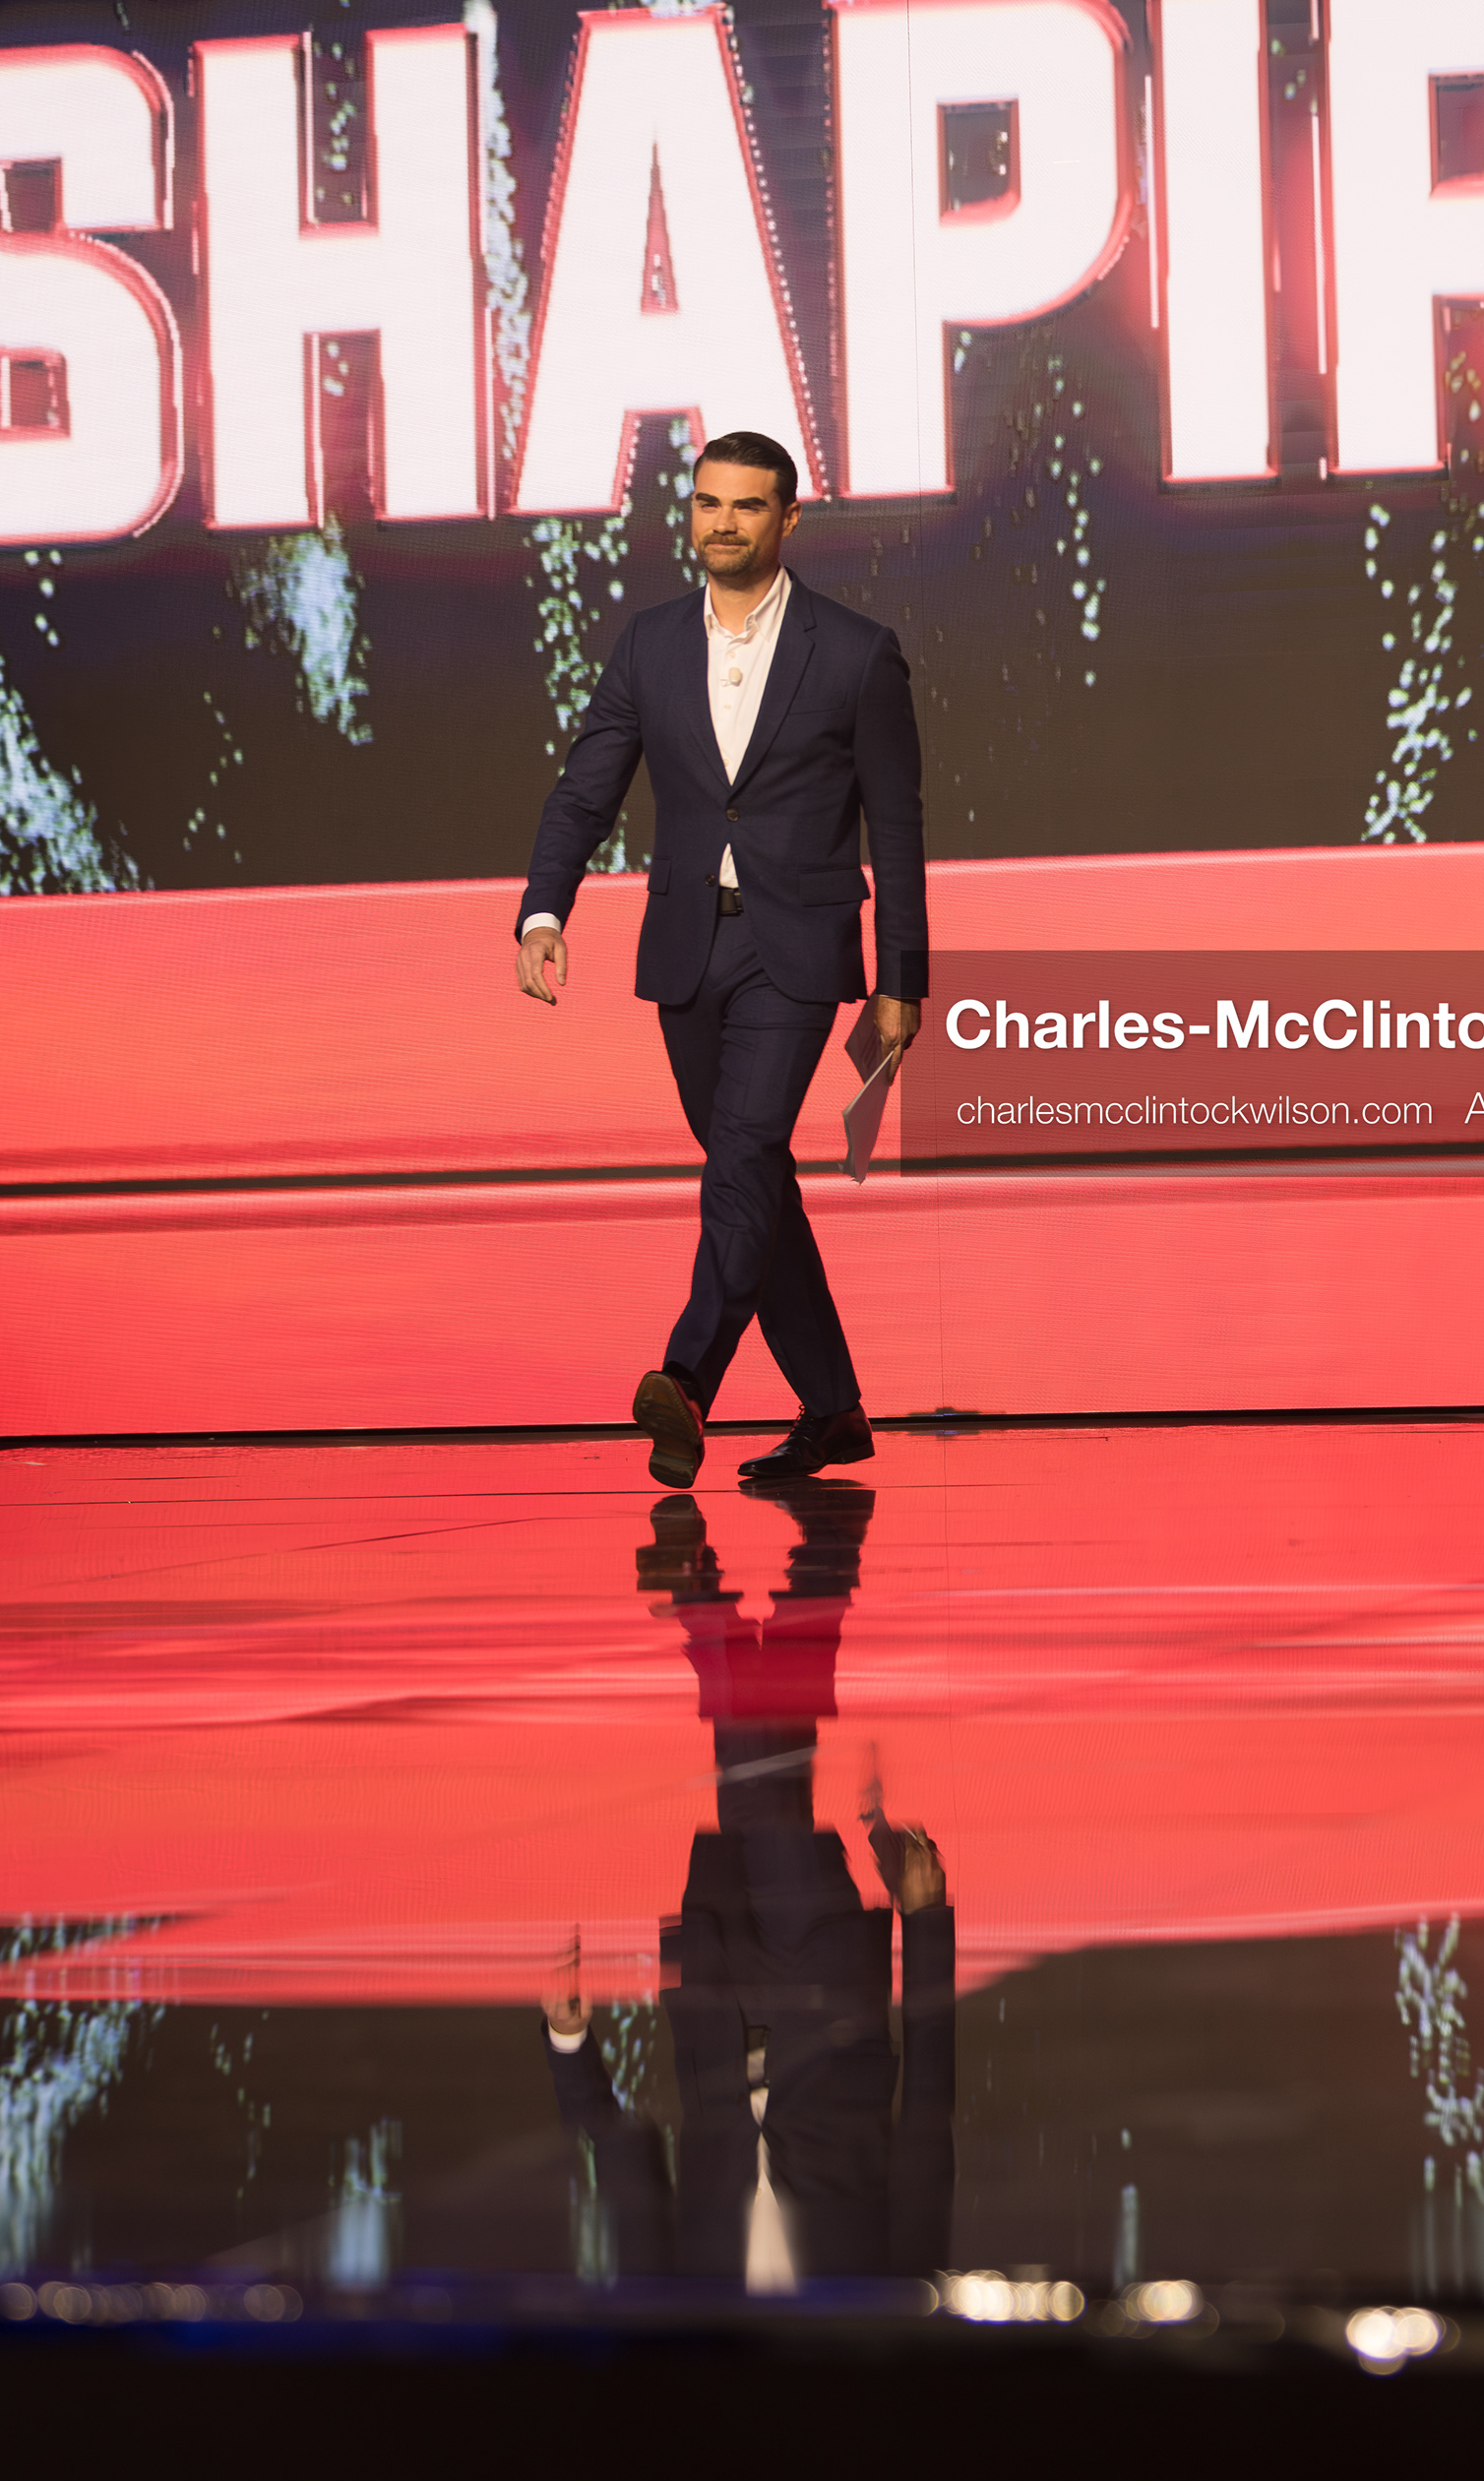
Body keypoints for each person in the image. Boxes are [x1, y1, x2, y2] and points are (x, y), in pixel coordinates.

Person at [514, 430, 928, 1489]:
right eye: (707, 503)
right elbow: (586, 789)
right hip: (689, 948)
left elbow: (896, 827)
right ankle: (833, 1410)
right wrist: (544, 911)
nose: (723, 523)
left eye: (746, 505)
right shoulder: (649, 643)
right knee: (756, 1178)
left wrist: (900, 982)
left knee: (741, 1156)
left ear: (788, 519)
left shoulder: (856, 651)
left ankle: (687, 1379)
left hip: (798, 949)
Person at [539, 1484, 956, 2284]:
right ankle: (707, 1612)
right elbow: (928, 2131)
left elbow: (630, 2194)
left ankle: (822, 1562)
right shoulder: (882, 2313)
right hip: (830, 2017)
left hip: (716, 2020)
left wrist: (569, 2047)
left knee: (768, 1783)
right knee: (766, 1799)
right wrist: (927, 1923)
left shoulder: (694, 2322)